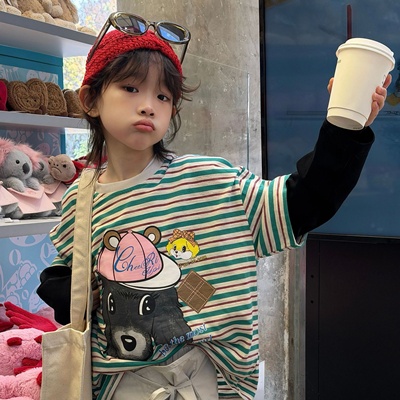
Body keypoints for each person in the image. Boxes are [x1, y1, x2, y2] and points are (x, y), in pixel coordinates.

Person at [38, 11, 391, 400]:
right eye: (131, 88)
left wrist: (346, 130)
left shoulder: (211, 182)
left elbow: (305, 203)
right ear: (90, 99)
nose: (148, 106)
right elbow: (67, 275)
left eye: (163, 96)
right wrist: (72, 287)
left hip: (208, 387)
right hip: (116, 388)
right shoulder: (81, 197)